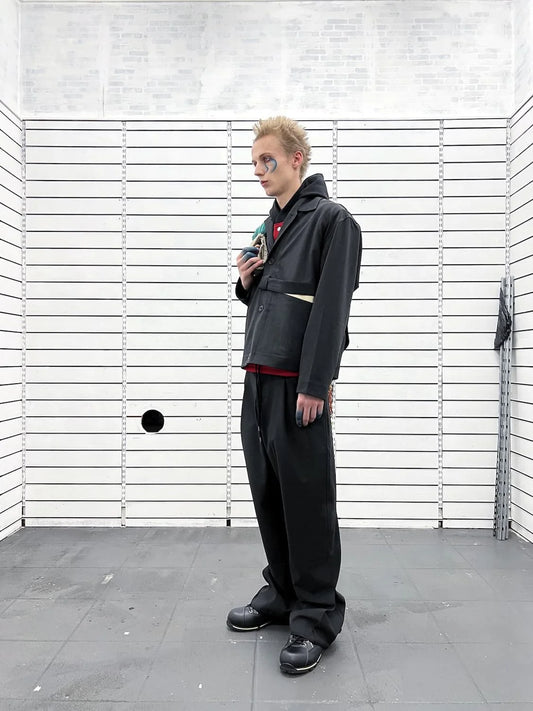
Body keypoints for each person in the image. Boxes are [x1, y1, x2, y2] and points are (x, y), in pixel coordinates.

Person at [227, 116, 362, 675]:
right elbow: (272, 296)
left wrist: (314, 382)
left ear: (296, 158)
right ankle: (283, 592)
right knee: (269, 493)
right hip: (258, 378)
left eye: (268, 161)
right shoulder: (271, 224)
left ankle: (316, 615)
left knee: (307, 499)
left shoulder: (332, 220)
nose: (259, 171)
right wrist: (245, 281)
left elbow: (331, 307)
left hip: (296, 385)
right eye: (254, 163)